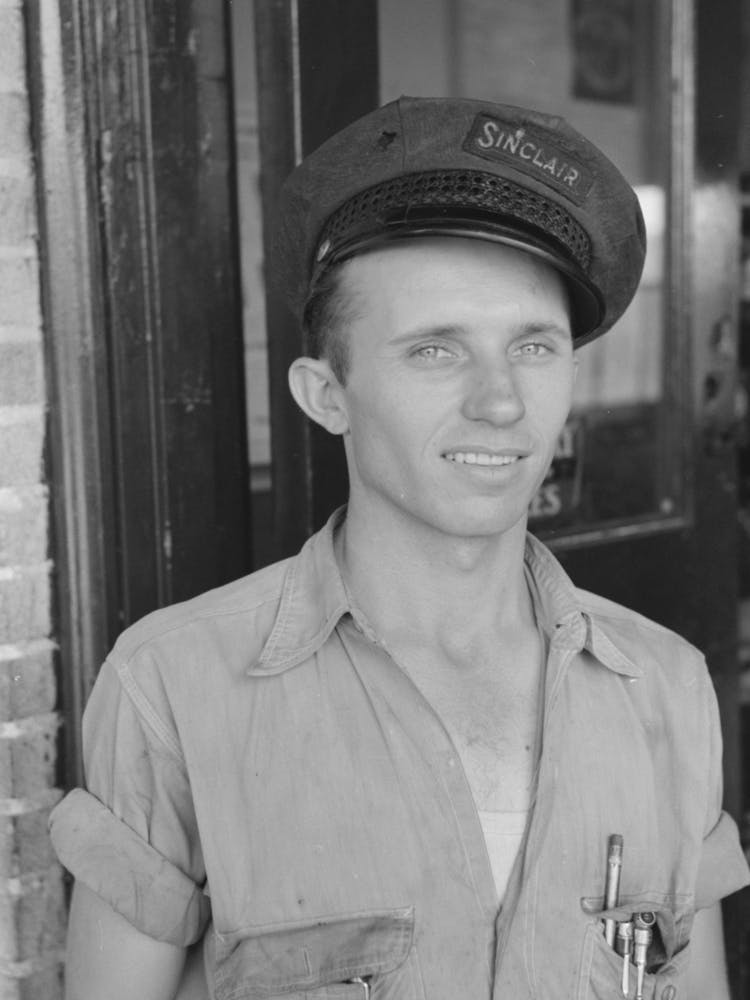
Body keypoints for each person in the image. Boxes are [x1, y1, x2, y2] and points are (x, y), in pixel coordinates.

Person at [51, 97, 749, 1000]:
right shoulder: (174, 690)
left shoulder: (668, 688)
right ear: (325, 394)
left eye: (533, 346)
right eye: (434, 351)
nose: (501, 402)